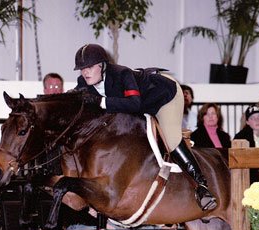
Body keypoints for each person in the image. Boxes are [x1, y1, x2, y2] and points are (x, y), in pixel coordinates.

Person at [73, 43, 216, 211]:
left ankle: (202, 186)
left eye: (89, 67)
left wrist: (101, 102)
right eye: (82, 68)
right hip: (143, 106)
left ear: (101, 65)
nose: (85, 72)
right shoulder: (83, 82)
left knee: (170, 139)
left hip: (164, 95)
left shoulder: (122, 74)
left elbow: (134, 104)